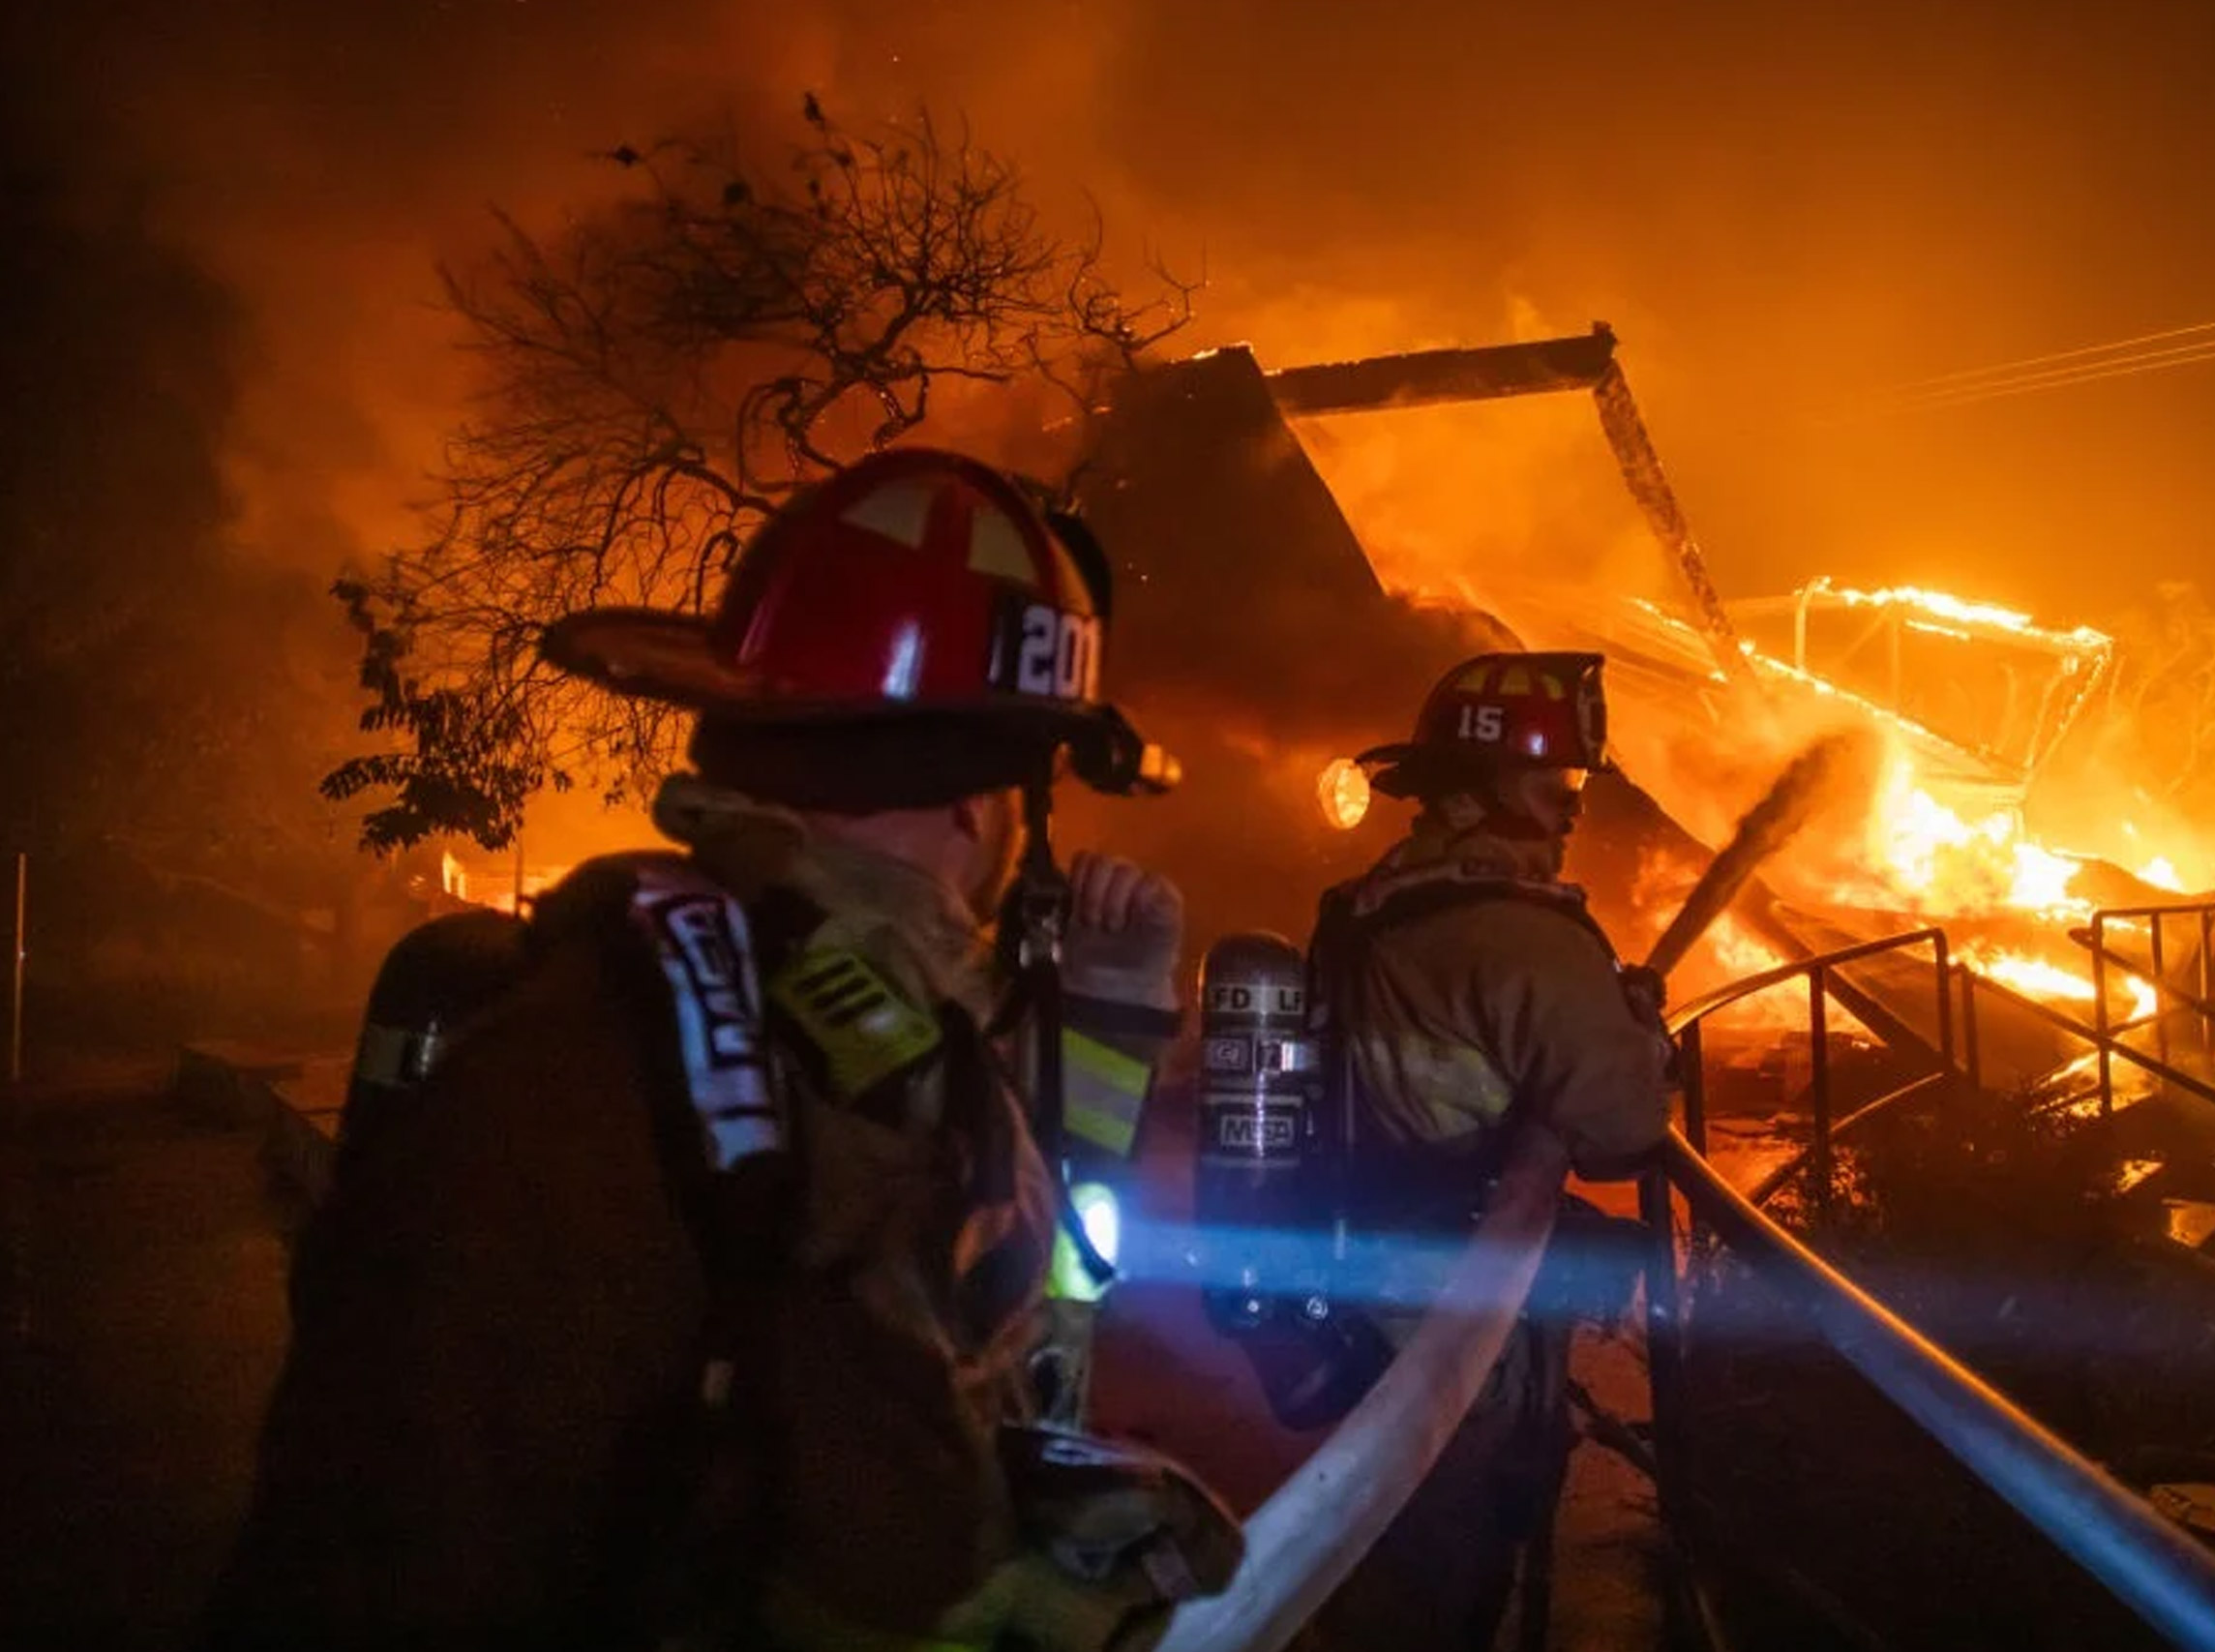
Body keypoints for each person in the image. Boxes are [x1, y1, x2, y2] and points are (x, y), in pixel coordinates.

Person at [199, 449, 1236, 1651]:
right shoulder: (630, 1068)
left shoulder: (840, 1025)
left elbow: (1018, 1315)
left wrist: (1108, 1011)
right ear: (978, 799)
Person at [1303, 649, 1674, 1651]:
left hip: (1373, 1276)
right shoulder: (1519, 936)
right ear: (1478, 790)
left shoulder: (1379, 902)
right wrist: (1638, 1033)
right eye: (1551, 783)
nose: (1569, 810)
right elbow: (1623, 1129)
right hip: (1464, 1303)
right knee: (1445, 1562)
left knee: (1387, 1541)